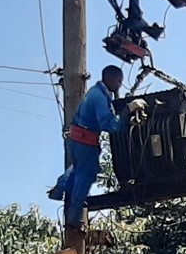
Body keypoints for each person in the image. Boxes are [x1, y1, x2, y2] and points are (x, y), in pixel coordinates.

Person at [48, 65, 127, 232]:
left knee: (78, 169)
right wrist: (127, 114)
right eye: (119, 81)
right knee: (86, 176)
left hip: (76, 137)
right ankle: (74, 217)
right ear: (110, 79)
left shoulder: (95, 92)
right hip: (86, 141)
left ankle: (60, 187)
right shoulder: (99, 97)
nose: (120, 85)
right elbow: (109, 124)